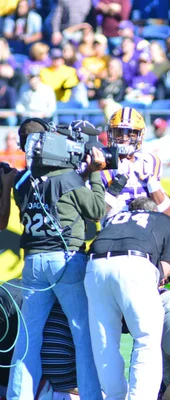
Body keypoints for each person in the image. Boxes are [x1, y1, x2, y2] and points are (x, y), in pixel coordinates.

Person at [5, 118, 105, 400]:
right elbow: (96, 209)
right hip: (66, 259)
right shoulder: (67, 176)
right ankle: (91, 397)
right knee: (82, 337)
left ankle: (18, 397)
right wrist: (95, 173)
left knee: (27, 340)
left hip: (33, 261)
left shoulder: (22, 180)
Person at [85, 197, 170, 400]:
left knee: (105, 341)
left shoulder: (117, 218)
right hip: (134, 264)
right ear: (156, 211)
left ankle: (114, 396)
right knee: (147, 338)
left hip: (95, 266)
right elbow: (166, 268)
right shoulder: (165, 220)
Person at [101, 107, 170, 221]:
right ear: (110, 133)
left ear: (140, 135)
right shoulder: (100, 161)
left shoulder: (151, 161)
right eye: (119, 133)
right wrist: (113, 190)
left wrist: (151, 182)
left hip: (147, 229)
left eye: (130, 134)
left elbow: (167, 212)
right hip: (114, 229)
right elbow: (94, 215)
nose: (124, 138)